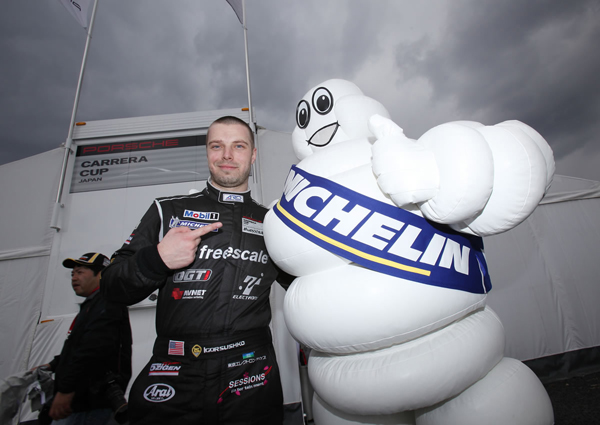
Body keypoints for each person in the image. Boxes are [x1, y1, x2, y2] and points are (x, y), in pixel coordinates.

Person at [101, 116, 293, 425]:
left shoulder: (273, 223)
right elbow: (111, 287)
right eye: (217, 146)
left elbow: (307, 288)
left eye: (238, 146)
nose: (227, 155)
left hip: (252, 375)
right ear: (207, 152)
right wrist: (157, 258)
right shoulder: (168, 210)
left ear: (253, 155)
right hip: (174, 373)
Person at [41, 253, 132, 425]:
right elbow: (78, 346)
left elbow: (92, 349)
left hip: (90, 404)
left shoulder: (107, 303)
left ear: (101, 274)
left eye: (80, 272)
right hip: (83, 403)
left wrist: (66, 391)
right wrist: (52, 365)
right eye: (72, 274)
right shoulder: (94, 304)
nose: (74, 278)